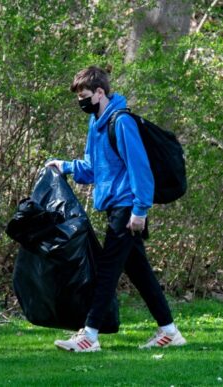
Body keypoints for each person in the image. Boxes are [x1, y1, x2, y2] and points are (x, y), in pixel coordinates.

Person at [45, 66, 186, 351]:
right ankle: (170, 331)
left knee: (107, 270)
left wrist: (140, 210)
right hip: (115, 207)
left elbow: (140, 168)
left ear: (100, 92)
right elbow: (93, 169)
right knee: (140, 272)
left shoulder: (121, 122)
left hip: (127, 208)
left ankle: (89, 335)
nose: (81, 102)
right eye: (78, 97)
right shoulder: (96, 125)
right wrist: (65, 166)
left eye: (84, 95)